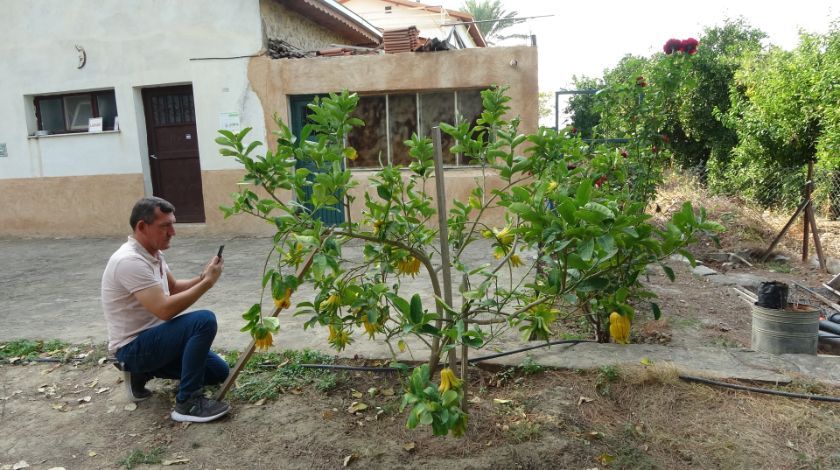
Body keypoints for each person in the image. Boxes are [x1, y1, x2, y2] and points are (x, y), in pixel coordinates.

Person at [101, 196, 230, 423]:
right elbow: (165, 310)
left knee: (218, 372)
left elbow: (172, 287)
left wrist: (203, 276)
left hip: (155, 340)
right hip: (132, 347)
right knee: (203, 321)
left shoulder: (153, 253)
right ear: (142, 226)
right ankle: (187, 403)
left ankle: (142, 372)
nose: (173, 232)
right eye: (165, 226)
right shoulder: (129, 261)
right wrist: (207, 284)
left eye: (173, 224)